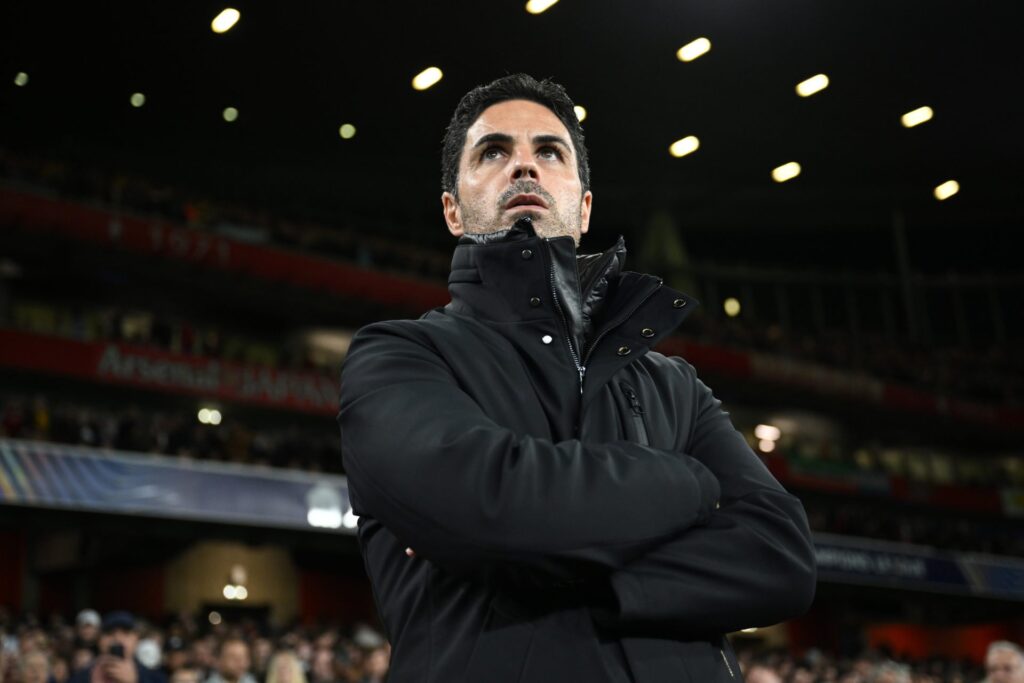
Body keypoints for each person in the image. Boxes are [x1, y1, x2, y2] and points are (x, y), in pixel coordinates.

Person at [338, 73, 817, 682]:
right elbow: (491, 507)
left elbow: (782, 558)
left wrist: (574, 574)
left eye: (548, 151)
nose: (524, 168)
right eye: (493, 152)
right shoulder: (398, 356)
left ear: (584, 206)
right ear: (452, 211)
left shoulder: (676, 386)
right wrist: (692, 487)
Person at [68, 612, 167, 683]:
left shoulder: (156, 677)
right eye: (110, 633)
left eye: (125, 633)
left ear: (136, 639)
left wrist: (137, 680)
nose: (117, 639)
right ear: (99, 640)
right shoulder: (81, 677)